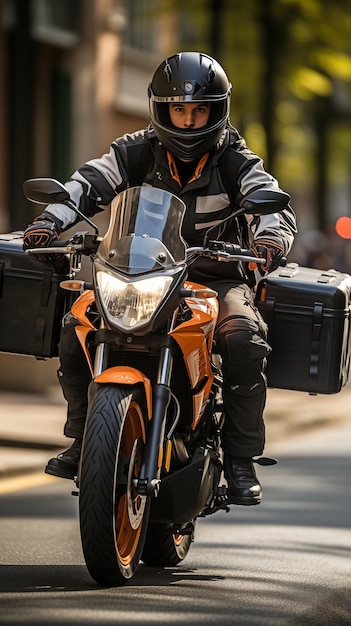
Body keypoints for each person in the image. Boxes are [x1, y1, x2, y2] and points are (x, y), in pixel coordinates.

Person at [23, 52, 297, 505]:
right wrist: (48, 222)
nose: (188, 121)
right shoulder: (134, 150)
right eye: (179, 109)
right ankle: (81, 439)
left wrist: (269, 241)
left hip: (215, 278)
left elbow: (272, 206)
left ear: (217, 110)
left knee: (244, 337)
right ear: (161, 109)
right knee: (78, 324)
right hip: (139, 272)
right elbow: (87, 183)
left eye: (199, 110)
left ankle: (242, 459)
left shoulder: (235, 159)